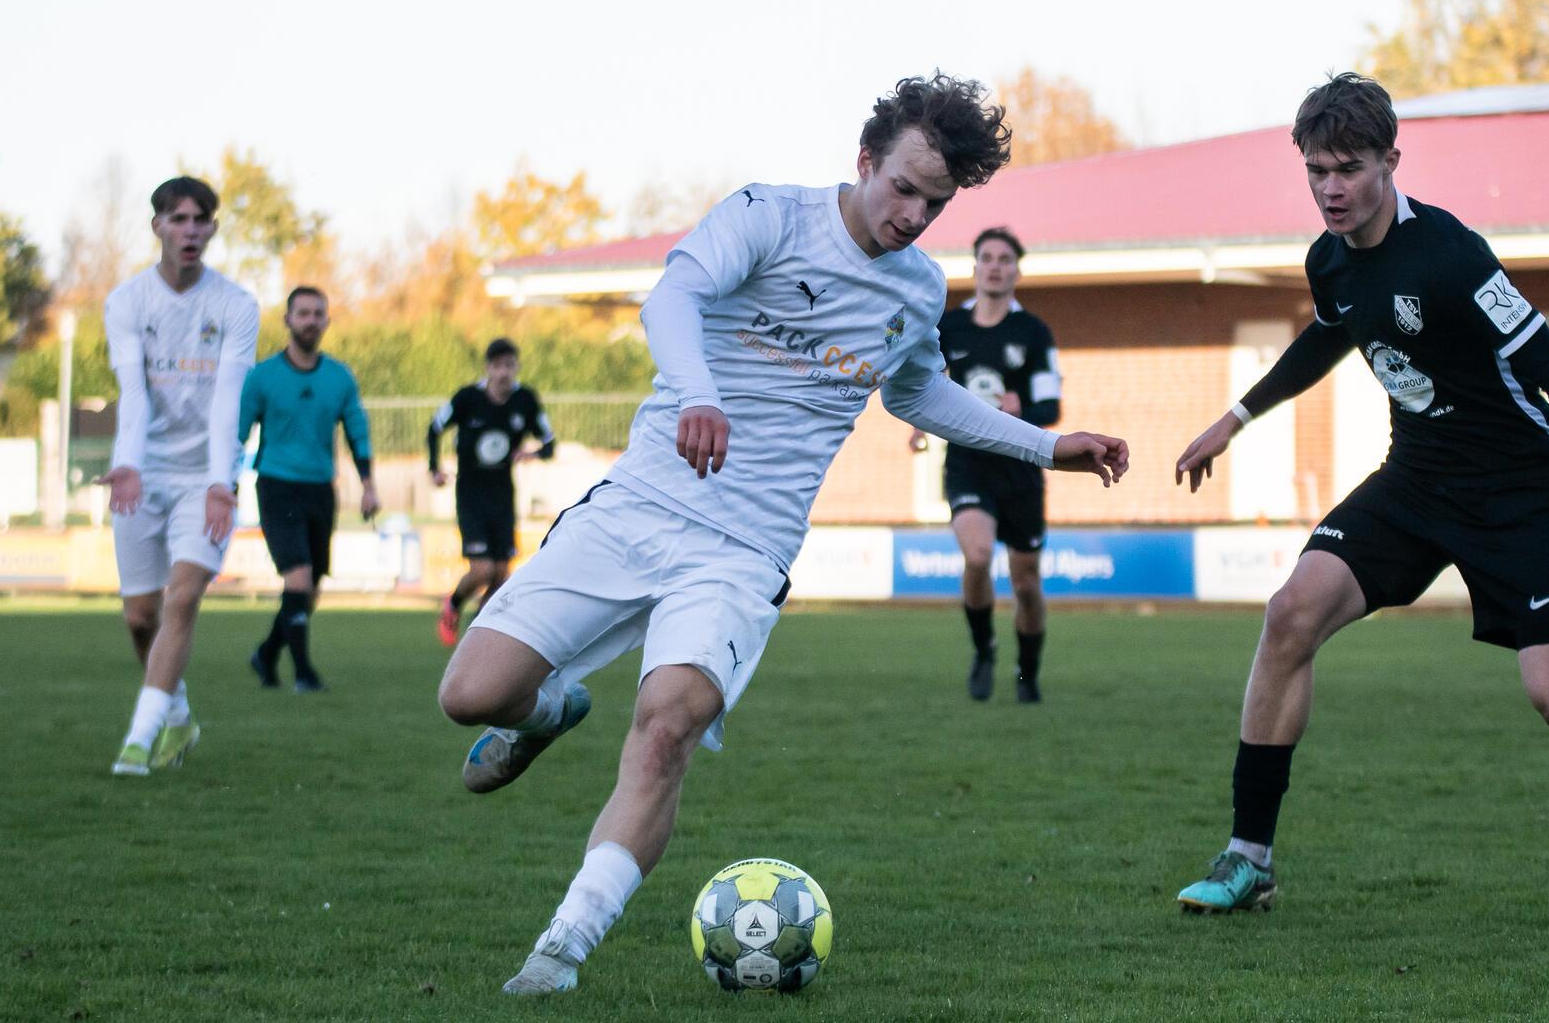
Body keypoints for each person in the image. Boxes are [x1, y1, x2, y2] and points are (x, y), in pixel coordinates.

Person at [434, 73, 1129, 996]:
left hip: (744, 549)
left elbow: (917, 392)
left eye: (937, 201)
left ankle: (559, 953)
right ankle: (552, 709)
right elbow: (669, 302)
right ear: (865, 160)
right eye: (904, 188)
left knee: (667, 727)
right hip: (640, 502)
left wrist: (1046, 446)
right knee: (471, 694)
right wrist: (702, 394)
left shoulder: (918, 291)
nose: (915, 215)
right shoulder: (767, 214)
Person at [1170, 73, 1549, 914]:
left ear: (1390, 161)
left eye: (1348, 167)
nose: (1330, 188)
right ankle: (1248, 857)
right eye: (1314, 170)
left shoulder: (1452, 255)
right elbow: (1328, 336)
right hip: (1413, 483)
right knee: (1290, 611)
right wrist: (1236, 417)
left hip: (1521, 495)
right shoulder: (1328, 259)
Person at [99, 176, 259, 776]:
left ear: (213, 229)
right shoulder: (126, 302)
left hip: (207, 480)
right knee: (140, 617)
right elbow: (133, 394)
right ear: (158, 227)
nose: (190, 230)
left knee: (182, 596)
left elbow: (227, 404)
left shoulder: (237, 305)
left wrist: (222, 482)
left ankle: (138, 743)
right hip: (143, 475)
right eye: (178, 219)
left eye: (200, 220)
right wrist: (128, 465)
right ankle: (177, 715)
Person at [909, 226, 1062, 702]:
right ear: (975, 267)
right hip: (968, 464)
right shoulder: (948, 327)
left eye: (1004, 259)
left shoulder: (1033, 333)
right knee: (977, 556)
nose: (995, 266)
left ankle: (1027, 673)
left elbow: (1050, 407)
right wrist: (918, 424)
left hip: (1019, 468)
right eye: (987, 258)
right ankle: (983, 648)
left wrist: (1024, 412)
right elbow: (920, 385)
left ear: (1017, 270)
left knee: (1027, 582)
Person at [238, 285, 380, 692]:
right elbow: (237, 432)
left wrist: (369, 484)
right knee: (297, 581)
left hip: (321, 489)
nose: (310, 321)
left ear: (327, 321)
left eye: (318, 314)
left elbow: (357, 431)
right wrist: (223, 486)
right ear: (287, 320)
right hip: (278, 486)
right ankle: (304, 674)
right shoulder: (262, 377)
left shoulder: (339, 377)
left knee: (309, 591)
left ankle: (266, 654)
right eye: (302, 313)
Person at [427, 338, 555, 645]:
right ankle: (453, 604)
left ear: (516, 367)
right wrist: (434, 468)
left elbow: (550, 444)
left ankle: (476, 636)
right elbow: (434, 428)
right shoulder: (468, 398)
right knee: (482, 570)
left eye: (509, 366)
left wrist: (532, 454)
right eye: (497, 366)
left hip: (503, 494)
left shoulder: (525, 400)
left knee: (501, 576)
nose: (503, 373)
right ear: (488, 368)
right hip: (471, 492)